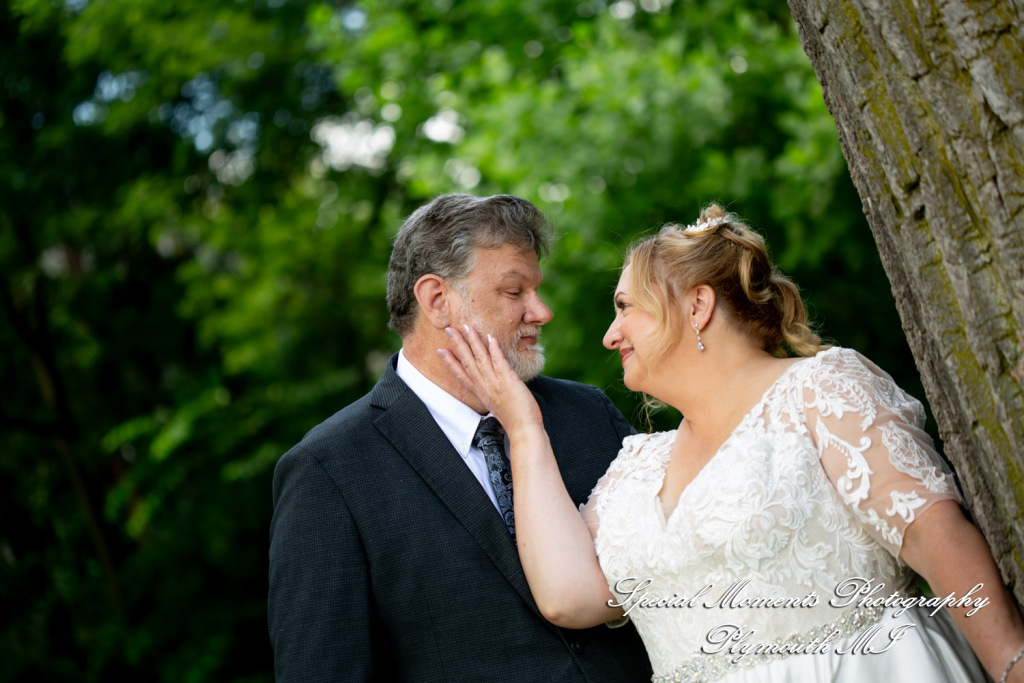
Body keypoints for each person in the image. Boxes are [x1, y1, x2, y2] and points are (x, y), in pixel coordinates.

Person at [439, 203, 1024, 683]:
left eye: (626, 309)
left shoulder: (820, 389)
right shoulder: (637, 468)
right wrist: (522, 425)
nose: (609, 334)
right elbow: (570, 597)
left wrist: (1011, 663)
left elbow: (931, 530)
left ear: (698, 305)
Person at [268, 193, 652, 682]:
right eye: (515, 292)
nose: (542, 311)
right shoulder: (330, 471)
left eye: (537, 290)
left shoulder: (588, 413)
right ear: (437, 300)